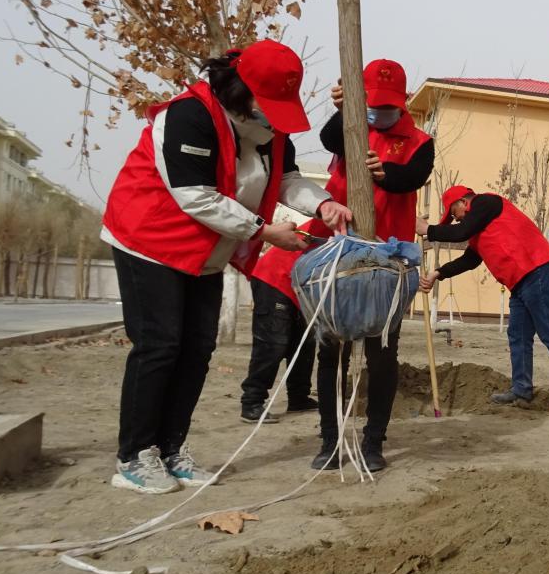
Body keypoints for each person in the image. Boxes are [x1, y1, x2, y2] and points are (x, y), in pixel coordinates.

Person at [101, 40, 350, 494]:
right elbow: (195, 195)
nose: (272, 117)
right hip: (150, 241)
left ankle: (172, 449)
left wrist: (326, 203)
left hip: (206, 253)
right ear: (239, 91)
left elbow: (288, 180)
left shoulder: (270, 131)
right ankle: (135, 456)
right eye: (266, 104)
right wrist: (264, 230)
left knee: (197, 348)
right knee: (160, 345)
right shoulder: (188, 117)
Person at [310, 58, 433, 472]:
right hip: (340, 255)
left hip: (388, 262)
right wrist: (345, 110)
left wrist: (385, 175)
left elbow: (413, 177)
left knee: (383, 353)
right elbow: (329, 141)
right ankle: (330, 440)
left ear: (403, 103)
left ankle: (374, 440)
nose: (380, 113)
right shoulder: (352, 127)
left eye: (387, 106)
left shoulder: (419, 140)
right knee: (331, 352)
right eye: (371, 104)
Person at [416, 186, 549, 416]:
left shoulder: (486, 203)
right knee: (517, 336)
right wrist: (437, 273)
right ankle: (521, 390)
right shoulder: (479, 229)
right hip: (520, 282)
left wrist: (428, 229)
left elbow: (460, 231)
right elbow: (469, 260)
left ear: (462, 202)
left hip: (537, 271)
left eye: (453, 213)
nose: (454, 219)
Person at [237, 242, 319, 422]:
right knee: (273, 342)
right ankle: (252, 402)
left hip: (300, 283)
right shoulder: (336, 218)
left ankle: (298, 397)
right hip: (275, 275)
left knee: (304, 341)